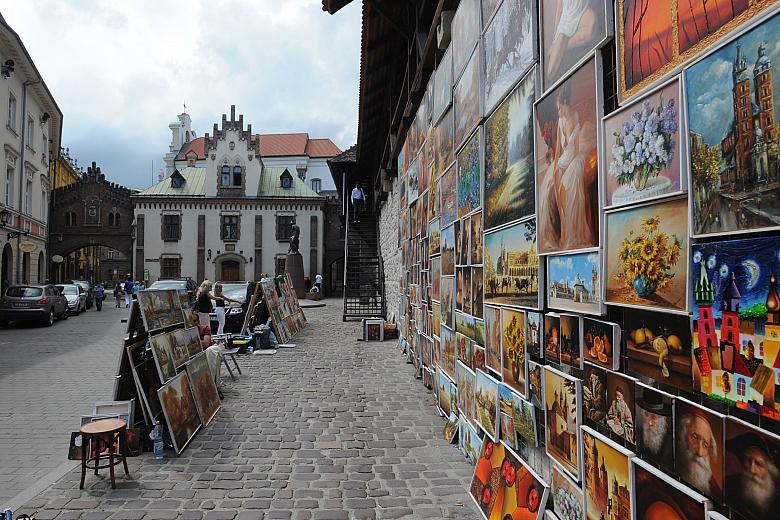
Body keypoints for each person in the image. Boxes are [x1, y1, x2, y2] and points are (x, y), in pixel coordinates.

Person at [725, 431, 780, 518]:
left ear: (769, 470)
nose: (751, 469)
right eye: (748, 460)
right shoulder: (729, 485)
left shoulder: (777, 505)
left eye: (758, 463)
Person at [676, 408, 722, 499]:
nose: (699, 452)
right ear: (683, 434)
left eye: (705, 445)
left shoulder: (715, 492)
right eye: (695, 437)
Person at [636, 390, 674, 472]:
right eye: (646, 415)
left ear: (664, 419)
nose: (649, 423)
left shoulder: (672, 443)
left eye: (654, 417)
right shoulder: (643, 431)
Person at [193, 311, 224, 399]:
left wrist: (190, 341)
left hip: (207, 353)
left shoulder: (204, 328)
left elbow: (206, 343)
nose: (192, 323)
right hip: (194, 356)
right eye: (190, 321)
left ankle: (216, 387)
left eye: (194, 321)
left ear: (198, 322)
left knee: (212, 352)